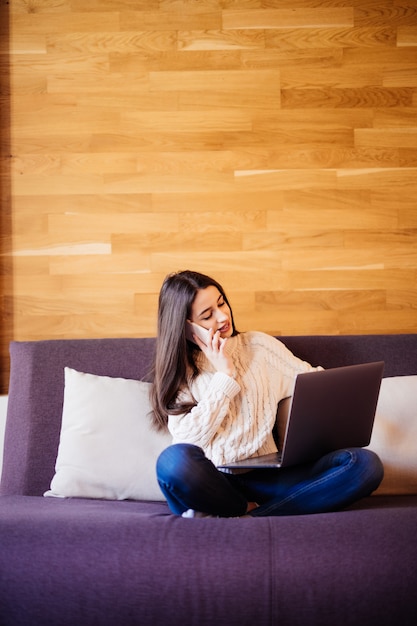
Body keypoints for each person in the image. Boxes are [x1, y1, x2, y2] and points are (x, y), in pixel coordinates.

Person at [151, 270, 383, 518]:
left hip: (268, 477)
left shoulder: (260, 347)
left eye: (221, 303)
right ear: (186, 327)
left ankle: (255, 516)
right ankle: (237, 508)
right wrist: (225, 376)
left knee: (365, 465)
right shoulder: (180, 372)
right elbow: (188, 440)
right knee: (172, 463)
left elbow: (317, 383)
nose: (222, 316)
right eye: (207, 315)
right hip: (213, 483)